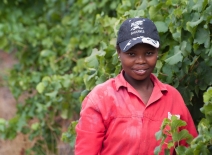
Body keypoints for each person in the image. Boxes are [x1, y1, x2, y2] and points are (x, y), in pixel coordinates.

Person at [75, 17, 198, 155]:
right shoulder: (100, 98)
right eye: (131, 54)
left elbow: (189, 148)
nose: (141, 60)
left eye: (149, 53)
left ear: (157, 52)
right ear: (119, 52)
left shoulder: (172, 97)